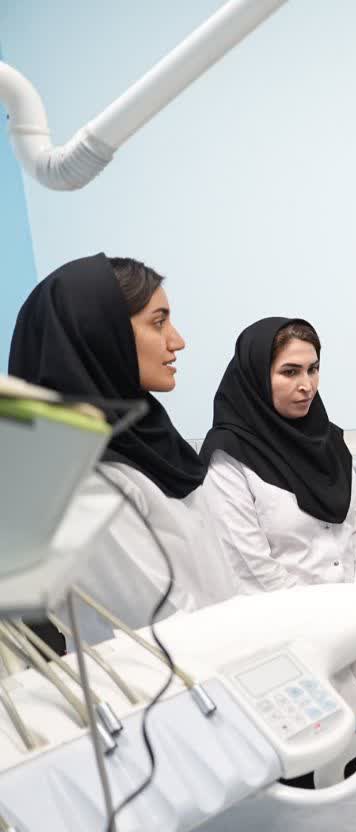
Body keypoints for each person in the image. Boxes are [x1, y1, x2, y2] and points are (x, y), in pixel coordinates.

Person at [199, 317, 356, 796]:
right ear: (256, 376)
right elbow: (250, 566)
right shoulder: (228, 458)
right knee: (315, 804)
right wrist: (332, 618)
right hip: (291, 656)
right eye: (289, 372)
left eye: (313, 369)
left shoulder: (331, 441)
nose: (306, 385)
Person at [7, 254, 237, 644]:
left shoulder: (150, 441)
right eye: (158, 323)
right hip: (178, 671)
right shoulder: (85, 480)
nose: (177, 341)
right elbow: (164, 625)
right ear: (98, 334)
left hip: (228, 654)